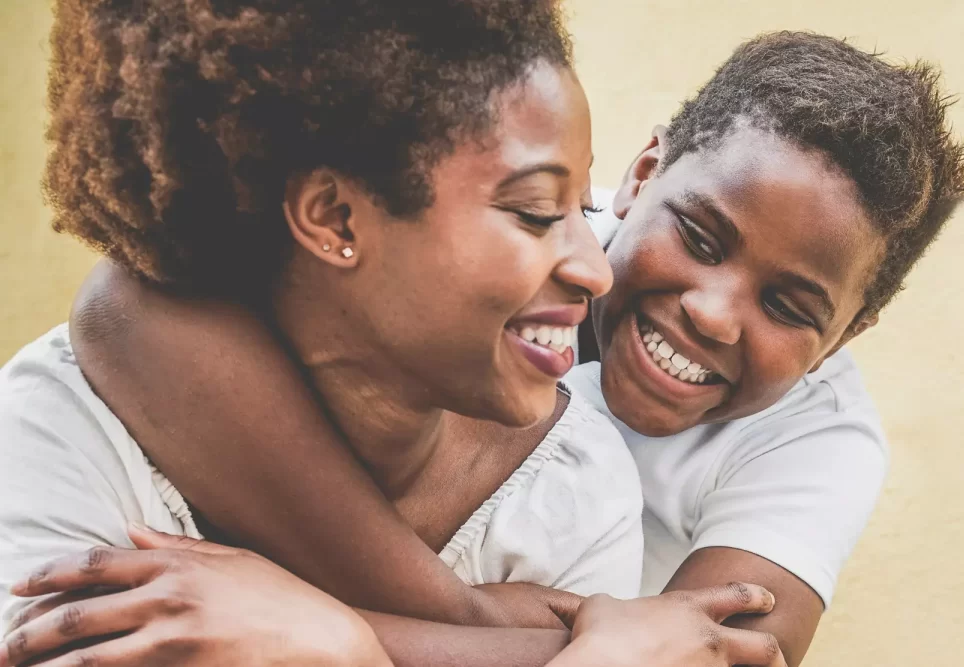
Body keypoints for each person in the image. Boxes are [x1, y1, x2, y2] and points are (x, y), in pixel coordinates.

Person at [0, 2, 789, 666]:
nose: (596, 270)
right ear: (337, 219)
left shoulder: (575, 488)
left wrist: (350, 641)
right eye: (537, 213)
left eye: (583, 206)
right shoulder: (66, 429)